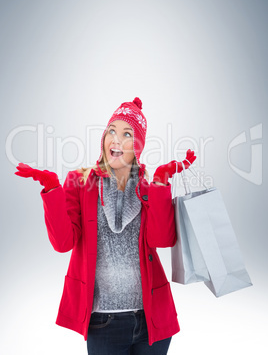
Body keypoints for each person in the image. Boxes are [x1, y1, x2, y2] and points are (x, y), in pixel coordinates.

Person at [15, 97, 196, 355]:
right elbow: (63, 243)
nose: (116, 140)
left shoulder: (147, 187)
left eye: (127, 134)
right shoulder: (80, 181)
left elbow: (162, 239)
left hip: (151, 320)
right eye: (112, 131)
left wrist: (160, 183)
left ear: (138, 146)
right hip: (103, 323)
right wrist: (52, 187)